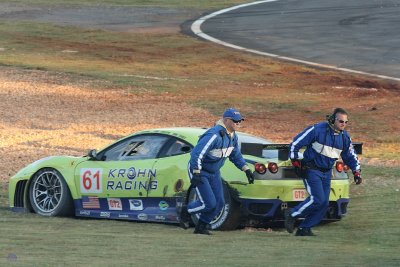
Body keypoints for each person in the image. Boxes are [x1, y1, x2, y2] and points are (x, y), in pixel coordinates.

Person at [285, 107, 362, 236]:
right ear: (332, 120)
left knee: (324, 204)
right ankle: (292, 213)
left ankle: (304, 228)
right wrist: (295, 161)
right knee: (318, 199)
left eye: (346, 122)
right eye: (341, 121)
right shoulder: (317, 130)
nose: (344, 124)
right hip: (311, 169)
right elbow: (295, 144)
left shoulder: (344, 138)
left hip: (326, 172)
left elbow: (350, 156)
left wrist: (356, 171)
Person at [179, 108, 255, 235]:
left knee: (219, 204)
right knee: (209, 203)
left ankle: (201, 227)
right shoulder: (214, 135)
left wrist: (246, 169)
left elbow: (235, 155)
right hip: (200, 170)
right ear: (226, 120)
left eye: (240, 121)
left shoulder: (233, 136)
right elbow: (197, 154)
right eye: (235, 121)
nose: (238, 123)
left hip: (214, 172)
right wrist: (196, 172)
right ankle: (186, 211)